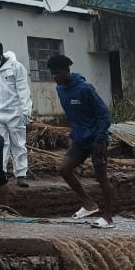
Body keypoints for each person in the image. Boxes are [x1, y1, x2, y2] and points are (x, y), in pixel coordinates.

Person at [48, 55, 114, 227]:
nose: (55, 77)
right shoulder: (60, 89)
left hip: (96, 139)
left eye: (58, 73)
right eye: (53, 74)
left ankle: (108, 217)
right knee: (64, 169)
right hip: (79, 138)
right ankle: (89, 203)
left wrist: (101, 137)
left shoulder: (85, 89)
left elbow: (104, 114)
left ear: (67, 71)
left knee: (101, 177)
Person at [0, 40, 32, 187]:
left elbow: (23, 91)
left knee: (18, 144)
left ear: (0, 53)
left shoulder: (16, 68)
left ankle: (21, 174)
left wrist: (26, 111)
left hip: (15, 112)